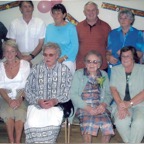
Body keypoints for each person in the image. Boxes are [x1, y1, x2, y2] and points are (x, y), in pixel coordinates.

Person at [24, 42, 73, 143]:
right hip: (37, 104)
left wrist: (55, 100)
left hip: (57, 105)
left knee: (51, 123)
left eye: (51, 55)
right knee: (32, 123)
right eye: (45, 54)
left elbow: (69, 91)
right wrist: (38, 101)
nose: (47, 57)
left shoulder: (64, 70)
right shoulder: (36, 69)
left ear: (57, 56)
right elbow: (28, 90)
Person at [69, 50, 114, 143]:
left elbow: (109, 94)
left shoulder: (103, 75)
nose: (92, 64)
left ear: (99, 64)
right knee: (87, 125)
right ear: (85, 63)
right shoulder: (79, 74)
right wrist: (87, 108)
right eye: (89, 61)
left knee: (107, 126)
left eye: (95, 62)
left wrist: (103, 105)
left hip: (99, 106)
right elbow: (73, 94)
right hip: (83, 107)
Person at [110, 46, 144, 143]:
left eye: (128, 56)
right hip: (120, 104)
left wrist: (129, 104)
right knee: (120, 122)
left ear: (134, 57)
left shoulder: (142, 69)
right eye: (123, 56)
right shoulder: (115, 70)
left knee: (139, 123)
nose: (124, 58)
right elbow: (113, 89)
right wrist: (121, 105)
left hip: (140, 104)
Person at [0, 40, 30, 143]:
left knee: (20, 113)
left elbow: (27, 86)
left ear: (16, 52)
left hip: (22, 95)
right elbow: (1, 88)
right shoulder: (0, 66)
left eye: (12, 51)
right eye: (7, 51)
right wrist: (9, 101)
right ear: (3, 53)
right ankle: (11, 141)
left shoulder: (25, 64)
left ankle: (17, 141)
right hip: (5, 96)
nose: (9, 54)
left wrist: (19, 100)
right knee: (8, 113)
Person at [7, 1, 46, 66]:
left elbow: (41, 43)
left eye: (29, 6)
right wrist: (22, 58)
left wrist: (30, 57)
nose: (27, 8)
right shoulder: (14, 23)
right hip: (18, 55)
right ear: (20, 9)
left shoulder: (40, 22)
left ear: (33, 8)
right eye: (25, 6)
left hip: (36, 56)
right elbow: (12, 44)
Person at [106, 9, 143, 77]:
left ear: (131, 20)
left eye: (125, 18)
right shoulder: (112, 33)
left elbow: (140, 53)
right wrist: (108, 57)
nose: (122, 20)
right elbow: (108, 51)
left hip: (131, 69)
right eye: (121, 18)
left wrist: (125, 53)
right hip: (115, 69)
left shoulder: (138, 34)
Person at [76, 1, 111, 71]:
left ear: (97, 11)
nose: (91, 13)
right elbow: (75, 46)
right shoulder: (78, 27)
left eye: (93, 10)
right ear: (84, 12)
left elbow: (110, 47)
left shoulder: (106, 27)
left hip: (100, 67)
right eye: (88, 10)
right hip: (82, 66)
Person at [44, 3, 79, 75]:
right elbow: (45, 45)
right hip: (51, 60)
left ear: (64, 15)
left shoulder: (71, 28)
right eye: (54, 13)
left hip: (67, 60)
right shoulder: (49, 27)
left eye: (58, 13)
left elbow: (75, 47)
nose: (55, 16)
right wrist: (48, 59)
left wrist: (62, 59)